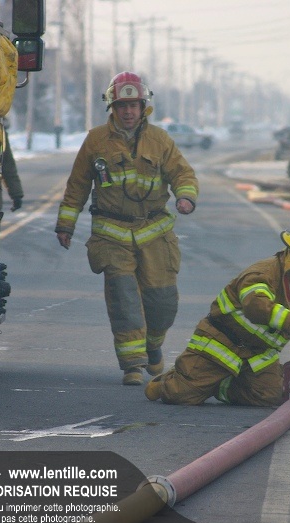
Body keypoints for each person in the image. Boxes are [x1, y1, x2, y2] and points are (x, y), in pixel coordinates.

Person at [55, 71, 199, 386]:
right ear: (113, 108)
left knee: (162, 303)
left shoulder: (160, 140)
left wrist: (186, 197)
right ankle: (132, 365)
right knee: (124, 299)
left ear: (143, 107)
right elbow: (77, 185)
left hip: (155, 233)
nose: (128, 112)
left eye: (133, 105)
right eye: (122, 106)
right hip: (111, 235)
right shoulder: (96, 140)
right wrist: (66, 224)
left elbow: (182, 173)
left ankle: (153, 345)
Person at [145, 229, 290, 406]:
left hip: (258, 355)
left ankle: (219, 385)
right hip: (221, 344)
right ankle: (167, 382)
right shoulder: (262, 273)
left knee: (270, 395)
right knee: (179, 394)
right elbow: (256, 305)